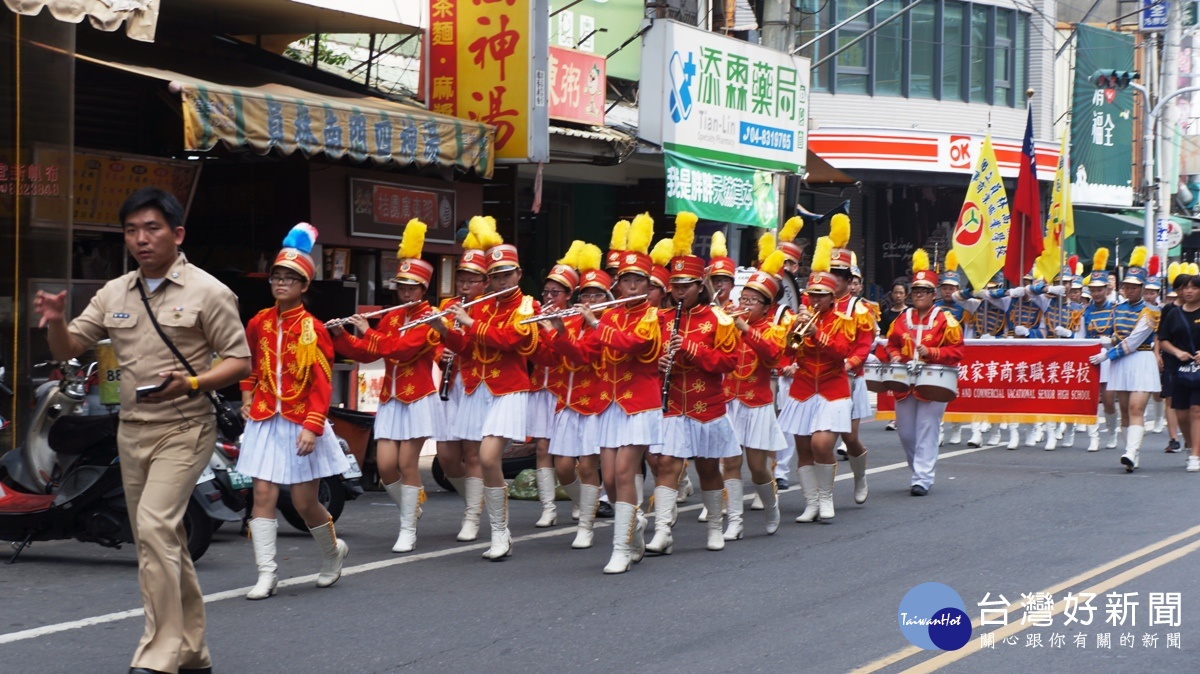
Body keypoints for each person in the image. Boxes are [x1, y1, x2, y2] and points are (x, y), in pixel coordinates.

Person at [35, 187, 251, 674]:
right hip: (132, 432)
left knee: (154, 528)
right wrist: (54, 320)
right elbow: (71, 343)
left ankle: (160, 653)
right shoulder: (114, 292)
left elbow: (239, 361)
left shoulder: (210, 292)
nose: (141, 239)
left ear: (177, 234)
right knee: (162, 538)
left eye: (151, 228)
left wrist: (193, 381)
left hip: (185, 428)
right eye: (132, 230)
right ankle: (193, 650)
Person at [238, 223, 351, 599]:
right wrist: (246, 396)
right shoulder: (259, 322)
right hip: (265, 418)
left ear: (304, 286)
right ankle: (267, 574)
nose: (281, 283)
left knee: (304, 503)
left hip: (302, 421)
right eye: (277, 277)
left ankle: (333, 553)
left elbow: (321, 381)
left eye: (291, 278)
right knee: (263, 495)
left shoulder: (314, 328)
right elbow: (251, 365)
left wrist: (313, 425)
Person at [552, 213, 661, 573]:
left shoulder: (651, 317)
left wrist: (597, 323)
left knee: (626, 474)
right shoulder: (610, 315)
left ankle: (620, 549)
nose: (630, 286)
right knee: (610, 479)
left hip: (638, 404)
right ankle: (633, 530)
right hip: (607, 404)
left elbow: (637, 347)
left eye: (637, 280)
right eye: (625, 280)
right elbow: (585, 355)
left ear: (647, 284)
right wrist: (560, 331)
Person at [430, 216, 536, 560]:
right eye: (495, 276)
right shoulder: (482, 305)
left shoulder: (526, 305)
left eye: (507, 274)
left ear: (518, 274)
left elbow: (509, 340)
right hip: (477, 389)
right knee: (478, 458)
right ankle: (496, 530)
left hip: (508, 389)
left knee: (488, 457)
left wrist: (469, 324)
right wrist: (444, 331)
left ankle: (501, 533)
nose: (502, 281)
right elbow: (466, 348)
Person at [330, 219, 439, 553]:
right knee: (386, 465)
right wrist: (342, 335)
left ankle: (407, 528)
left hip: (419, 397)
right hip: (391, 397)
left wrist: (367, 331)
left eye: (411, 287)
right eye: (401, 286)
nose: (404, 292)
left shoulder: (432, 318)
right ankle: (411, 508)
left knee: (408, 464)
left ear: (423, 289)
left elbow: (401, 350)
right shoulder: (391, 318)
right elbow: (366, 353)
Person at [653, 212, 741, 551]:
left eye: (685, 287)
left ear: (698, 286)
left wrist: (689, 348)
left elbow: (728, 363)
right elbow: (648, 361)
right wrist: (660, 364)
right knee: (667, 465)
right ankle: (662, 530)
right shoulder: (660, 318)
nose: (677, 292)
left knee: (707, 468)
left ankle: (715, 527)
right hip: (674, 401)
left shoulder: (717, 319)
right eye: (674, 286)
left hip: (708, 404)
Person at [778, 237, 857, 522]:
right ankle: (810, 502)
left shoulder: (843, 322)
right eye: (812, 294)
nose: (815, 300)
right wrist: (790, 344)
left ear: (832, 297)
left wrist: (817, 335)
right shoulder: (799, 319)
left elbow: (841, 352)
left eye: (821, 295)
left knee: (821, 445)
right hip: (802, 389)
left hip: (832, 389)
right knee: (802, 448)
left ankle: (826, 498)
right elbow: (785, 351)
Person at [540, 245, 611, 548]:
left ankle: (586, 524)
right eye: (586, 295)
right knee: (563, 466)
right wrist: (541, 332)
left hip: (594, 403)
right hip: (566, 401)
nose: (590, 301)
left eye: (597, 296)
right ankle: (586, 506)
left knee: (586, 465)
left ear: (607, 299)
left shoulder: (606, 326)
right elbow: (550, 356)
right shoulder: (568, 321)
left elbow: (583, 355)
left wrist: (557, 333)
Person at [724, 243, 790, 537]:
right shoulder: (729, 323)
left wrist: (745, 330)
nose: (746, 304)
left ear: (766, 306)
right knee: (730, 462)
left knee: (757, 467)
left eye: (753, 300)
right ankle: (735, 522)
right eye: (744, 298)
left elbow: (773, 355)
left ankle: (771, 504)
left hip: (757, 402)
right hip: (728, 401)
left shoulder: (769, 329)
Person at [885, 249, 964, 495]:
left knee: (927, 428)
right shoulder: (901, 318)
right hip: (904, 382)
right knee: (906, 432)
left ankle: (922, 477)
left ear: (933, 294)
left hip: (934, 383)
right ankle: (918, 470)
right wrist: (896, 356)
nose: (918, 295)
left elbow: (957, 351)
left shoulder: (945, 319)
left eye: (924, 291)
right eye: (915, 291)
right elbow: (891, 343)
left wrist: (931, 353)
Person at [431, 240, 491, 542]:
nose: (465, 285)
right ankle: (476, 500)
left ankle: (472, 515)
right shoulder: (446, 306)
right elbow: (434, 341)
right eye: (462, 279)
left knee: (473, 453)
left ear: (484, 281)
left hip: (474, 383)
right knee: (446, 457)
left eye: (472, 279)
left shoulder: (488, 308)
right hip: (448, 382)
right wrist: (439, 355)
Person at [527, 242, 586, 528]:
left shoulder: (576, 320)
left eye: (556, 292)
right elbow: (536, 356)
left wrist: (550, 330)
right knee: (542, 449)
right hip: (540, 388)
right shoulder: (538, 317)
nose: (550, 297)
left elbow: (561, 355)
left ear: (569, 294)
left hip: (565, 391)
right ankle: (548, 507)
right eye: (547, 291)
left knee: (567, 452)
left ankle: (578, 500)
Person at [1089, 246, 1160, 473]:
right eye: (1126, 286)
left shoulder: (1151, 312)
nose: (1129, 290)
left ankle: (1130, 452)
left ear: (1141, 288)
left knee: (1136, 408)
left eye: (1134, 287)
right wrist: (1104, 342)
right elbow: (1115, 335)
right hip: (1122, 363)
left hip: (1141, 359)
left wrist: (1106, 354)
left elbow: (1132, 342)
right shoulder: (1117, 309)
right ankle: (1132, 452)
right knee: (1126, 411)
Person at [1157, 273, 1200, 472]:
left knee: (1196, 410)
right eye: (1186, 287)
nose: (1189, 291)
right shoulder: (1174, 313)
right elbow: (1163, 339)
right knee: (1181, 413)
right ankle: (1190, 445)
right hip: (1179, 369)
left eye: (1194, 287)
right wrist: (1178, 352)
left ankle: (1195, 455)